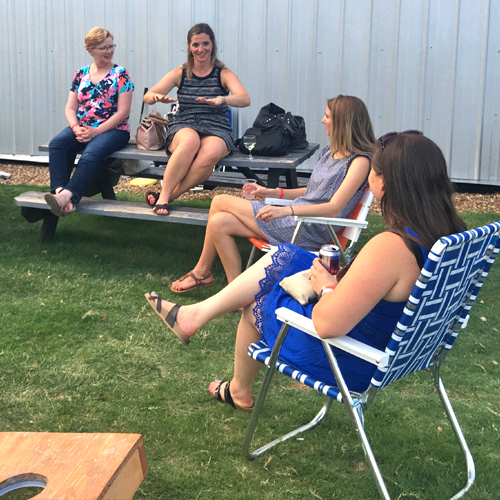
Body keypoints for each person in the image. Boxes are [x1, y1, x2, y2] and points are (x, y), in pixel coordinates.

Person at [145, 132, 465, 412]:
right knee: (288, 255)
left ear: (383, 183)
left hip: (352, 358)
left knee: (262, 296)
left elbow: (327, 324)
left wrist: (327, 285)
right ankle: (194, 317)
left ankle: (237, 386)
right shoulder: (447, 235)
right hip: (396, 348)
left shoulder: (391, 248)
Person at [170, 95, 377, 293]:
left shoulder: (359, 161)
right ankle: (237, 294)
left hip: (309, 228)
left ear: (344, 123)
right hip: (297, 219)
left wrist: (286, 211)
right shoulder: (331, 152)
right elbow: (313, 191)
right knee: (219, 223)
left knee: (219, 201)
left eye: (328, 116)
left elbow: (334, 208)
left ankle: (202, 272)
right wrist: (272, 192)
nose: (323, 120)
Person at [143, 23, 251, 215]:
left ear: (212, 45)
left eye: (205, 44)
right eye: (196, 45)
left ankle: (169, 196)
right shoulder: (180, 73)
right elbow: (148, 95)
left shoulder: (222, 73)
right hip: (185, 123)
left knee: (208, 155)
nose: (201, 49)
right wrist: (157, 97)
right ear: (189, 47)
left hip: (216, 127)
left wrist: (222, 100)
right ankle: (165, 196)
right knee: (190, 141)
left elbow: (244, 99)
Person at [44, 27, 134, 217]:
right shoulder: (80, 74)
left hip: (114, 129)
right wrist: (76, 128)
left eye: (111, 46)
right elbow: (70, 108)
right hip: (83, 127)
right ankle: (60, 192)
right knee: (57, 145)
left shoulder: (120, 74)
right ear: (90, 50)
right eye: (103, 48)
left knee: (90, 154)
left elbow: (123, 112)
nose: (109, 51)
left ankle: (66, 196)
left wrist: (96, 131)